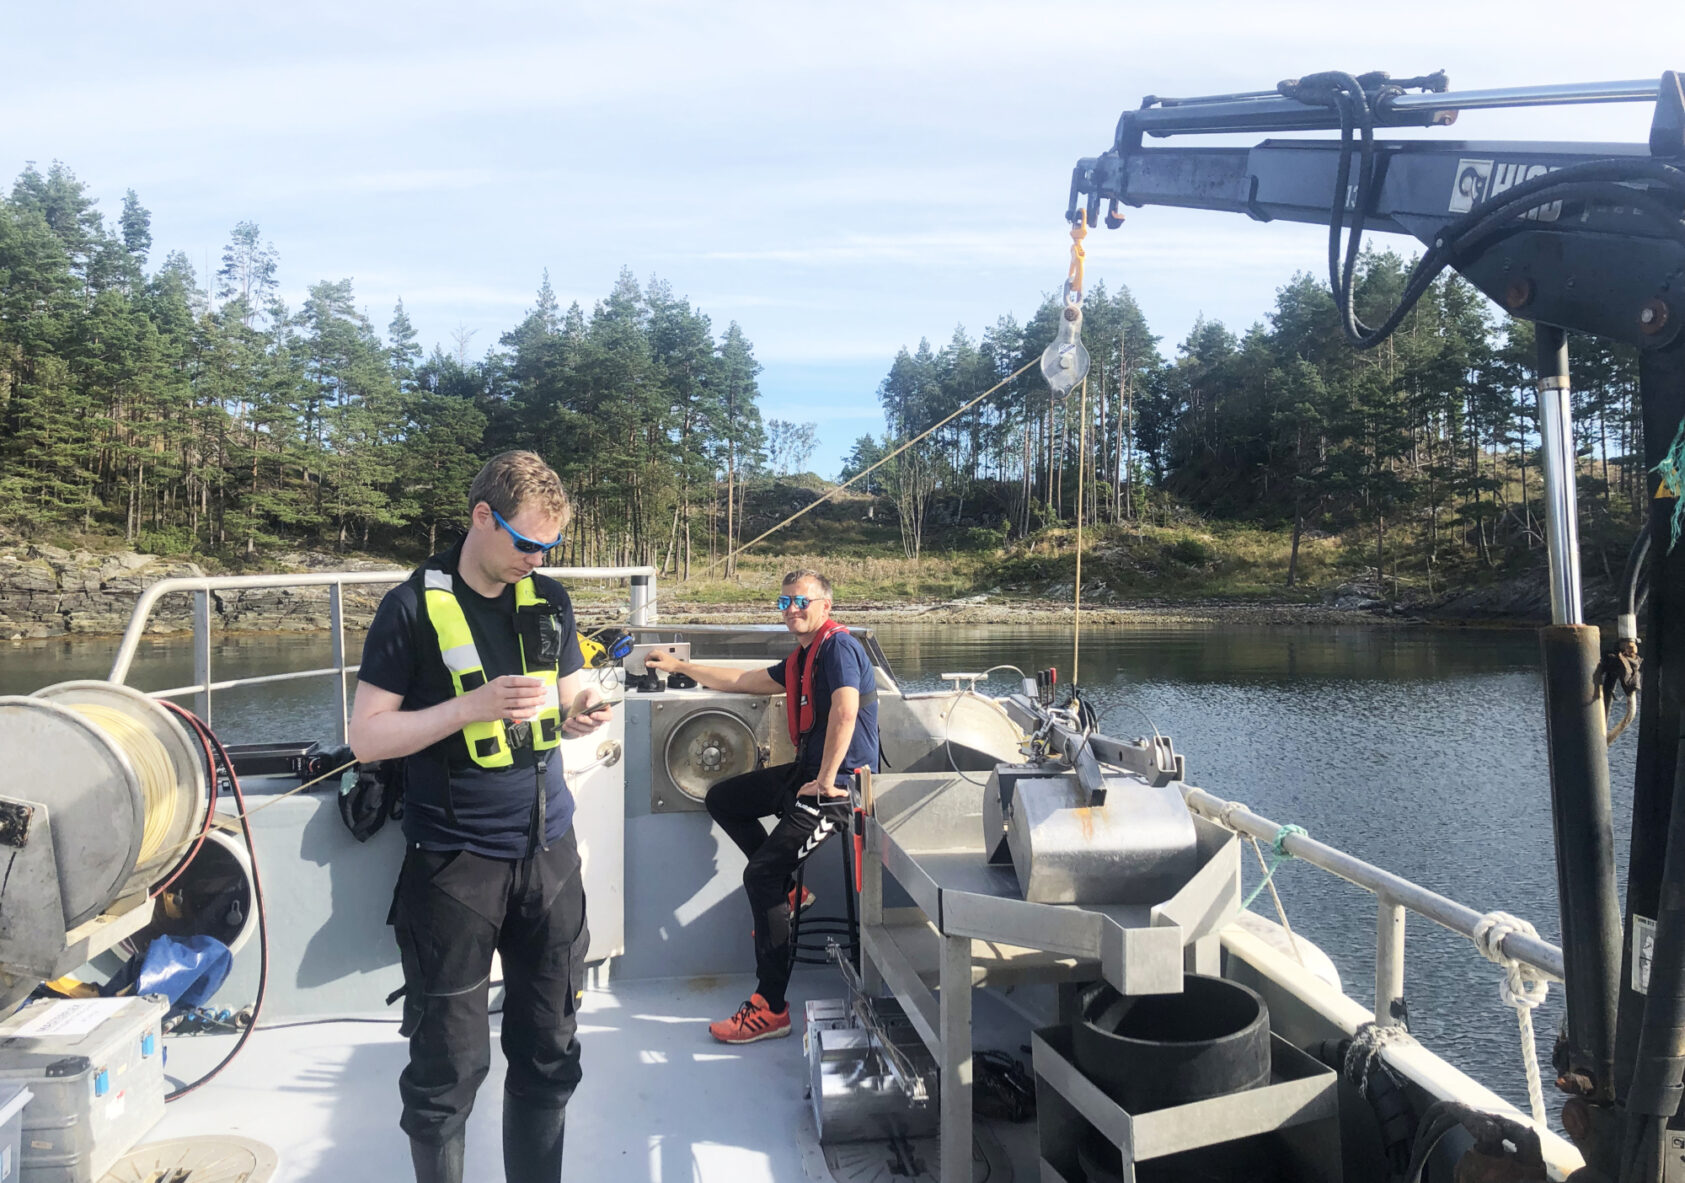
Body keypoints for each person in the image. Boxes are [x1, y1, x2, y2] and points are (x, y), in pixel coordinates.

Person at [348, 451, 613, 1183]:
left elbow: (571, 689)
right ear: (479, 517)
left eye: (548, 548)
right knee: (448, 1067)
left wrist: (581, 709)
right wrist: (468, 706)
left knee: (550, 1049)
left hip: (549, 857)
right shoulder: (409, 608)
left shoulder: (549, 599)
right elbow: (366, 734)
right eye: (525, 543)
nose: (536, 559)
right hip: (455, 867)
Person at [644, 569, 879, 1044]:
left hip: (840, 790)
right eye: (784, 602)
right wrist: (683, 667)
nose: (792, 609)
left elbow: (845, 709)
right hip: (808, 777)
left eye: (802, 601)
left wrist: (828, 780)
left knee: (761, 875)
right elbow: (743, 679)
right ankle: (791, 893)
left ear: (826, 606)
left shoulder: (839, 649)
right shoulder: (802, 658)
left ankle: (771, 1008)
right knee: (724, 799)